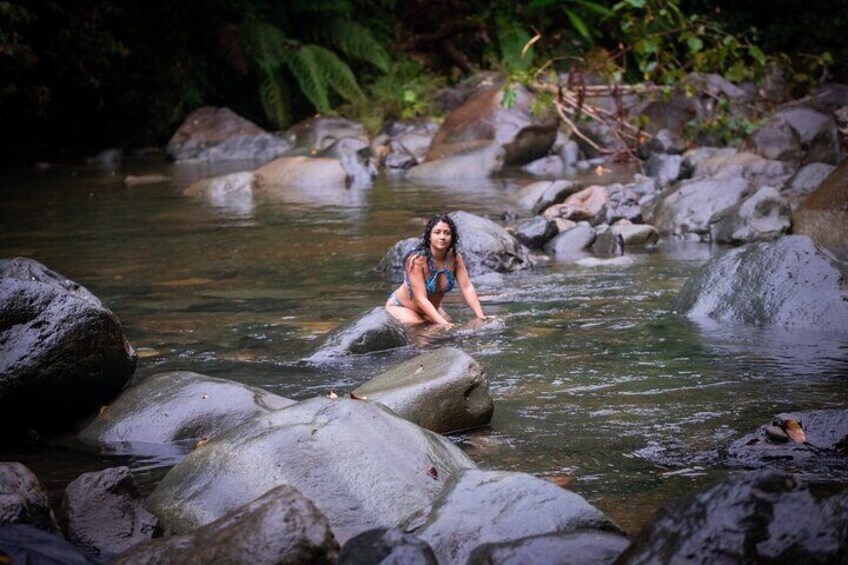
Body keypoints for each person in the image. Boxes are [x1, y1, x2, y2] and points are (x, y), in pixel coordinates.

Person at [385, 214, 487, 326]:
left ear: (452, 237)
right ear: (429, 236)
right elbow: (421, 299)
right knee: (420, 325)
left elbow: (467, 288)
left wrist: (481, 316)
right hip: (402, 307)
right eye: (437, 232)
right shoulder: (418, 260)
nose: (442, 237)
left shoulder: (454, 258)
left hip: (432, 308)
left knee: (445, 324)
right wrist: (444, 324)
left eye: (447, 233)